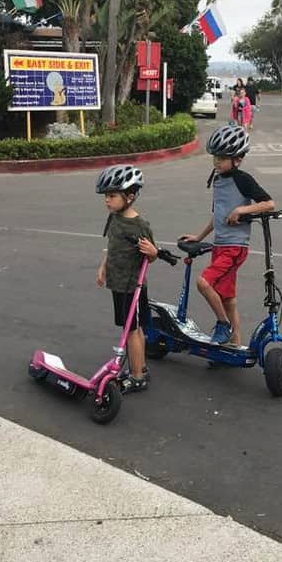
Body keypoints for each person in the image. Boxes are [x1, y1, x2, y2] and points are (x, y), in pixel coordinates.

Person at [179, 125, 275, 345]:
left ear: (238, 159)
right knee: (228, 298)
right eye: (215, 158)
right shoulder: (219, 180)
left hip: (235, 247)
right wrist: (200, 236)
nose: (216, 162)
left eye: (222, 158)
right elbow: (218, 215)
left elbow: (269, 204)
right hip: (220, 245)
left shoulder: (243, 179)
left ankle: (223, 325)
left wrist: (242, 210)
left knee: (204, 283)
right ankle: (234, 344)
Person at [95, 165, 159, 393]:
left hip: (133, 286)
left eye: (111, 196)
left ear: (130, 196)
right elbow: (111, 248)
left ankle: (138, 375)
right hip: (118, 283)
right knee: (130, 328)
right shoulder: (114, 218)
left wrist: (153, 252)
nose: (107, 201)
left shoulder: (139, 225)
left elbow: (151, 256)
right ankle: (137, 366)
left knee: (133, 330)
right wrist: (104, 266)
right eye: (106, 196)